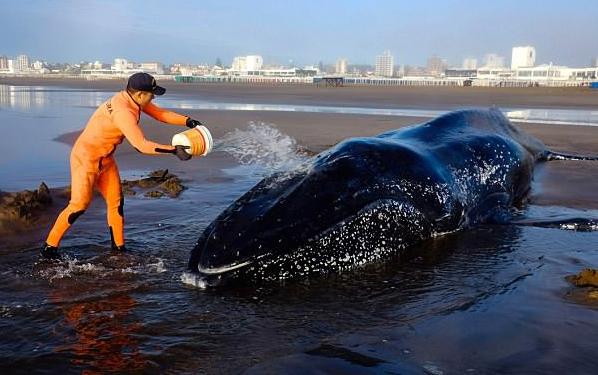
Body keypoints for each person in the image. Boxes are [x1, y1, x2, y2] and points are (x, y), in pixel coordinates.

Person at [41, 72, 203, 259]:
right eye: (151, 94)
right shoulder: (123, 112)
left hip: (106, 159)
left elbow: (160, 114)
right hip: (85, 158)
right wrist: (174, 150)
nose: (153, 97)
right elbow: (141, 145)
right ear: (140, 94)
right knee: (79, 205)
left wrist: (188, 121)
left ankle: (118, 250)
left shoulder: (131, 99)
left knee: (116, 203)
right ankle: (49, 248)